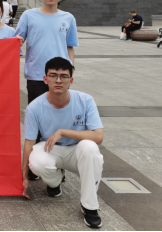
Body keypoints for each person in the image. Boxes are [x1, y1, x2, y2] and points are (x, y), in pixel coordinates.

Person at [23, 57, 104, 229]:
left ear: (71, 80)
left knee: (90, 148)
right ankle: (55, 182)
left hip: (77, 150)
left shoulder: (85, 100)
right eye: (53, 75)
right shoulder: (35, 107)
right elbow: (29, 143)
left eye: (63, 76)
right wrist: (24, 178)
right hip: (51, 149)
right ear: (45, 79)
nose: (58, 80)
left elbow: (98, 137)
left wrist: (62, 132)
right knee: (36, 161)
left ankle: (90, 206)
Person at [15, 0, 79, 179]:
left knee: (59, 119)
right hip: (36, 75)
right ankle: (35, 164)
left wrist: (70, 69)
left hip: (60, 77)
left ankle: (58, 164)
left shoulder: (68, 18)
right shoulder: (29, 16)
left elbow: (70, 46)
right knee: (36, 119)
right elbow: (16, 40)